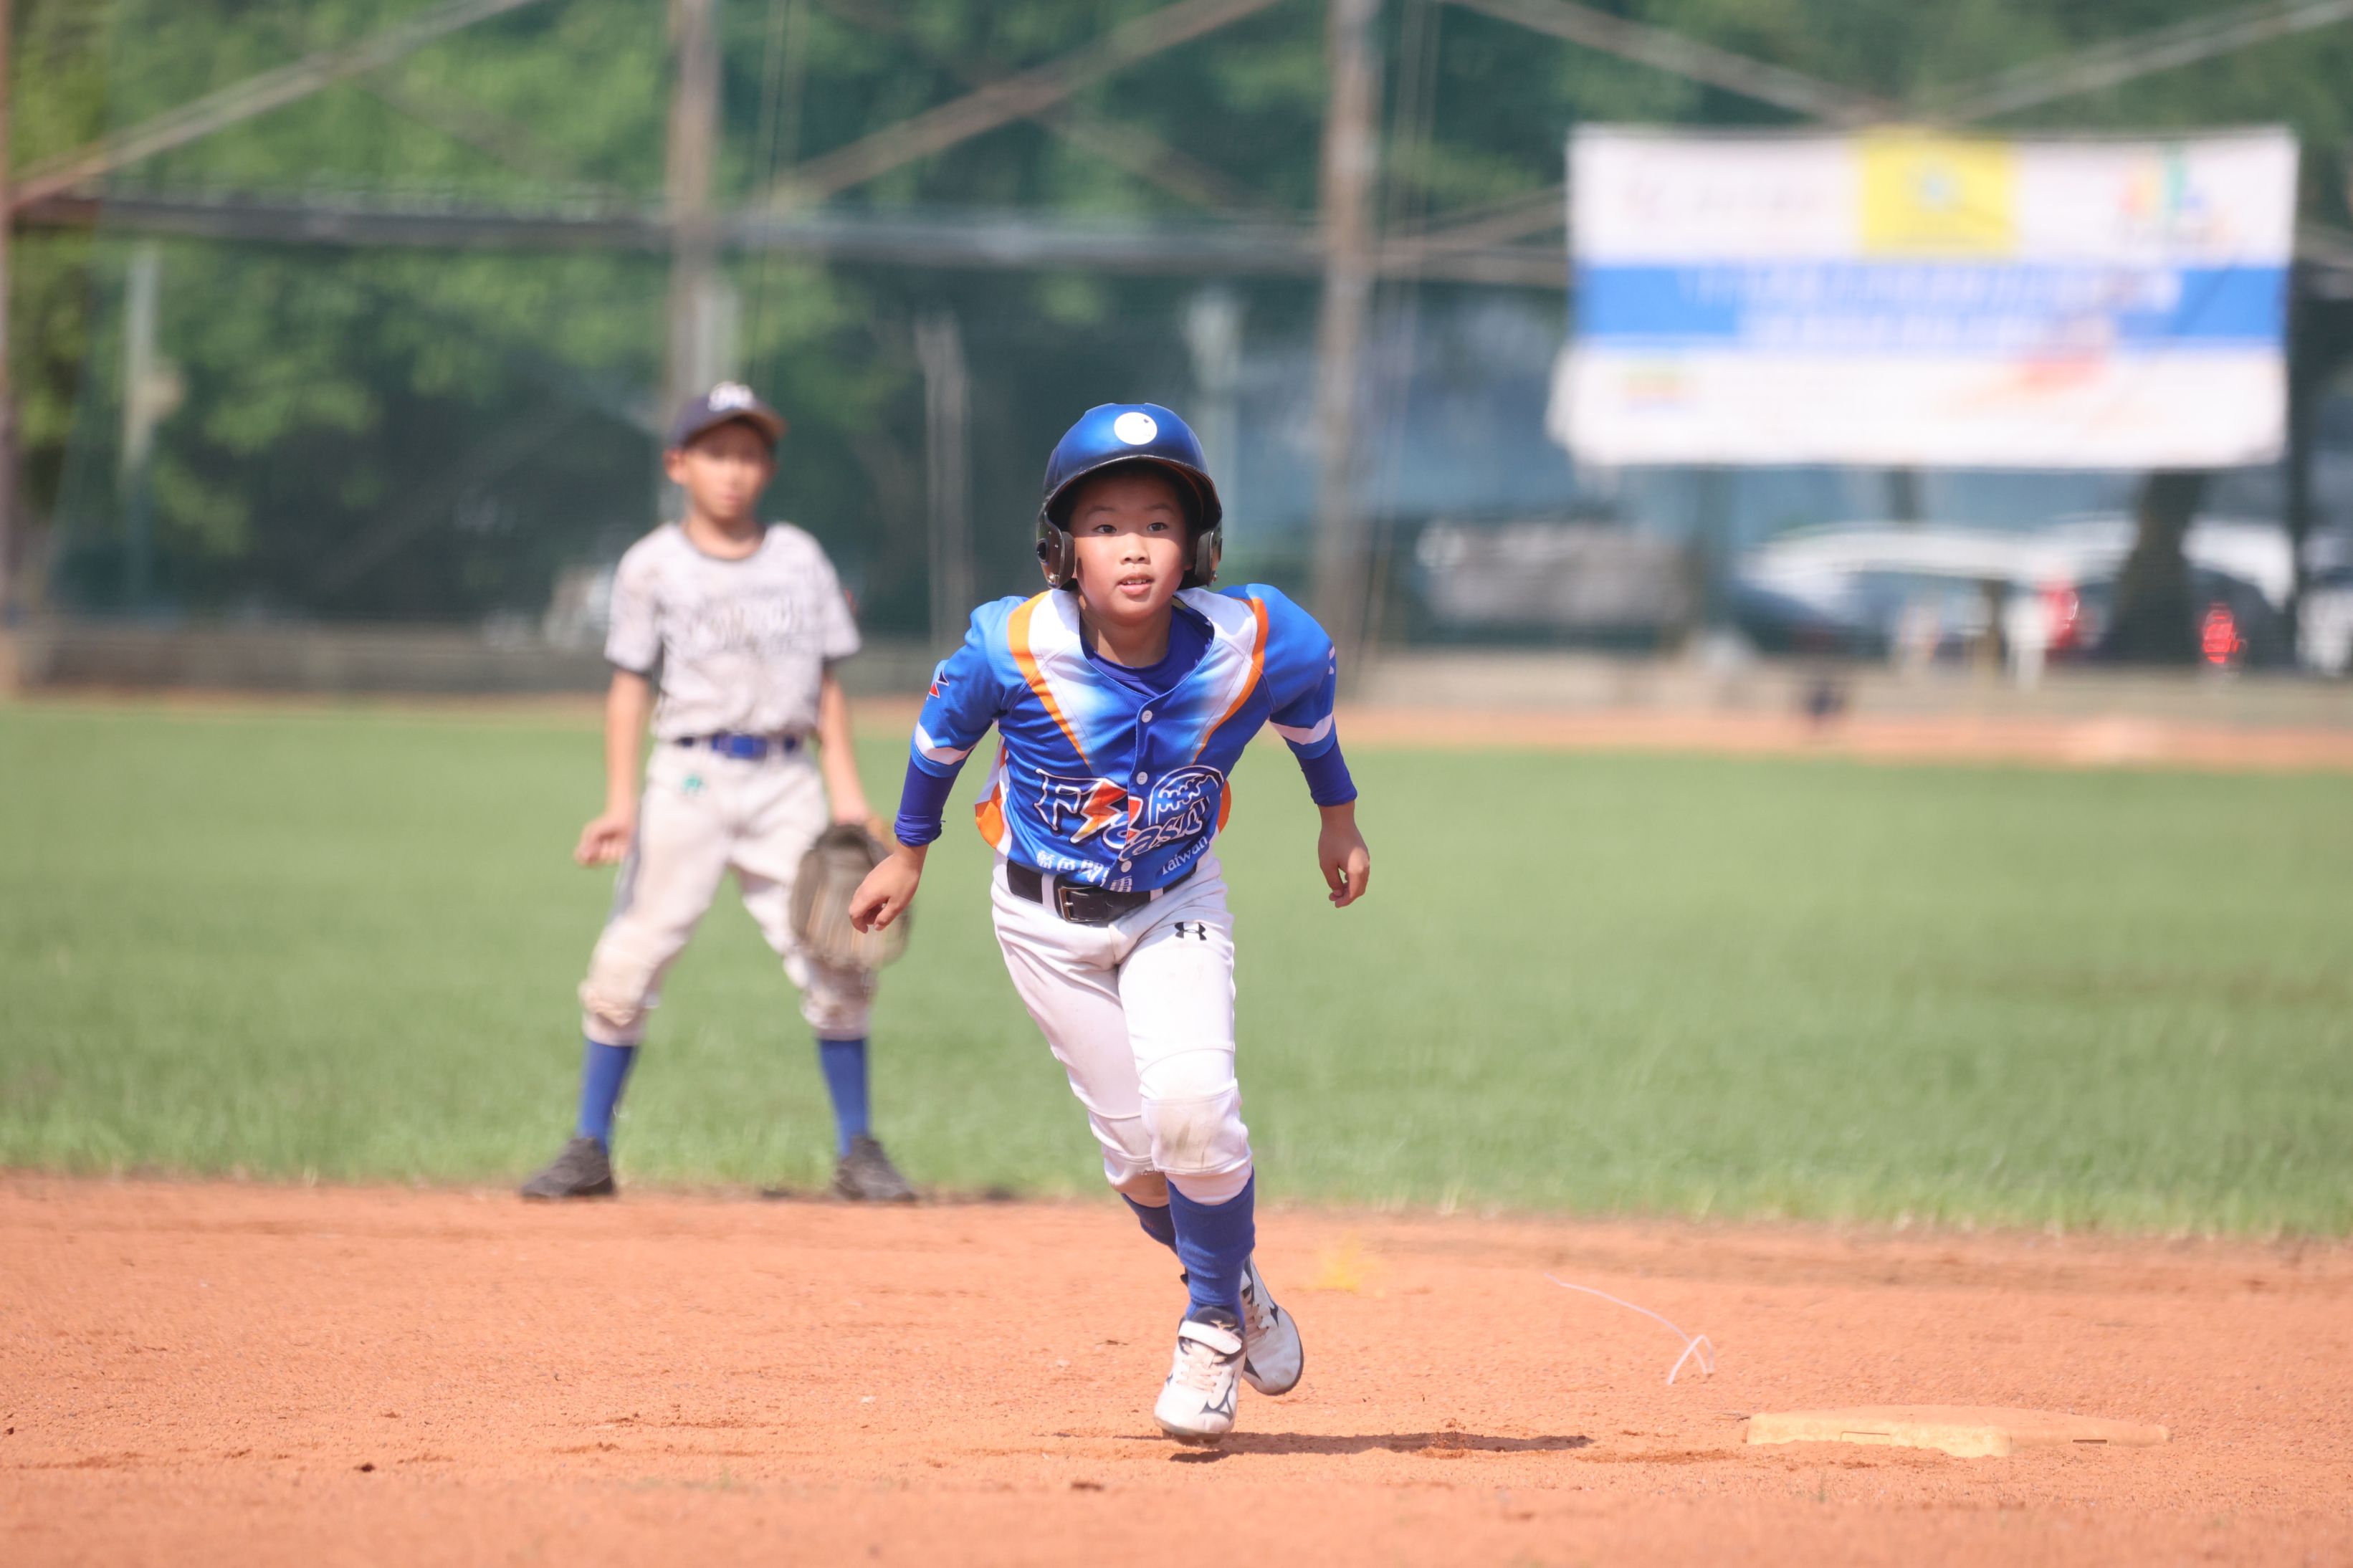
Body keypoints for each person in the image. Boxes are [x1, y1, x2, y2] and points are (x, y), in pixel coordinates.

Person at [848, 403, 1371, 1442]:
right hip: (1041, 922)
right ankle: (1234, 1281)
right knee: (1138, 1158)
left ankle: (1209, 1328)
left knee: (1193, 1113)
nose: (1133, 546)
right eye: (1104, 525)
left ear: (1197, 548)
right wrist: (908, 850)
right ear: (1061, 552)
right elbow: (937, 742)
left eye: (1158, 524)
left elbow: (1308, 713)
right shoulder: (1010, 646)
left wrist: (1338, 816)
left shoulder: (1257, 637)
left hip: (1174, 903)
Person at [520, 383, 915, 1204]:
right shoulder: (651, 564)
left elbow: (826, 685)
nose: (733, 470)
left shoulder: (798, 557)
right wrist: (619, 802)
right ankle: (590, 1145)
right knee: (629, 959)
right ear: (678, 464)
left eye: (750, 454)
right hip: (688, 777)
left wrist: (847, 796)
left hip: (786, 781)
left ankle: (858, 1149)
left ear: (768, 467)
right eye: (716, 453)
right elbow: (629, 685)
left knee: (838, 961)